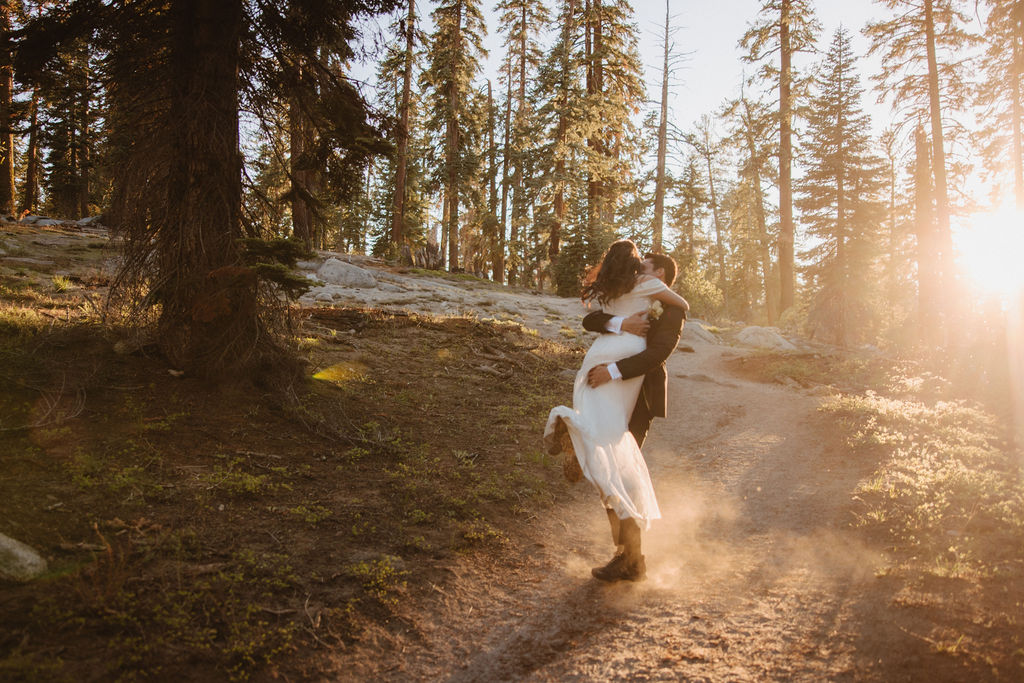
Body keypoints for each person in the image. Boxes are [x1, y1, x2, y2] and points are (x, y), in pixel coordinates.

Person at [543, 241, 689, 582]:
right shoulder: (634, 292)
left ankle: (630, 559)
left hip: (637, 400)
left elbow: (657, 355)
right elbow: (593, 318)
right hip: (612, 384)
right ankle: (628, 558)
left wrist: (613, 370)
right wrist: (621, 323)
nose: (638, 271)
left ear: (660, 274)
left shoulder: (672, 311)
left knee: (619, 472)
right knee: (606, 471)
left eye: (645, 267)